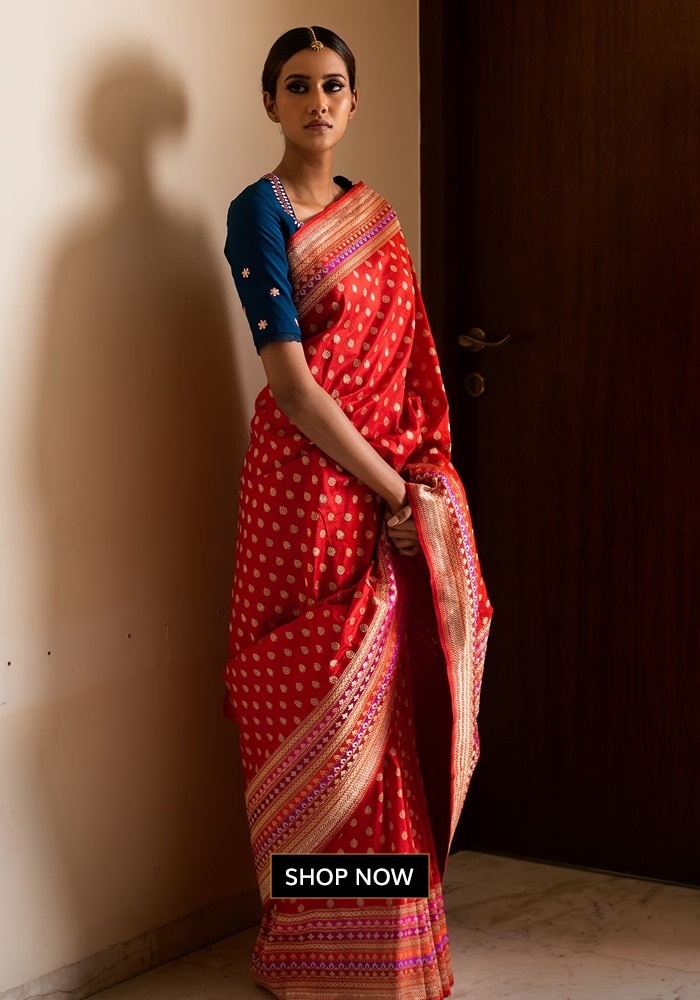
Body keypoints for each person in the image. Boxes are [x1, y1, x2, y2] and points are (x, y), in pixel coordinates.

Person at [223, 25, 492, 1000]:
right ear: (270, 103)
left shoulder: (373, 217)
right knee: (310, 707)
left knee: (380, 716)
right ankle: (307, 952)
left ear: (352, 99)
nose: (317, 102)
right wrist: (391, 491)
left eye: (333, 84)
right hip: (305, 499)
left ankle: (385, 951)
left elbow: (411, 364)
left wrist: (416, 485)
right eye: (297, 86)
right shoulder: (257, 214)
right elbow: (291, 388)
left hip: (377, 488)